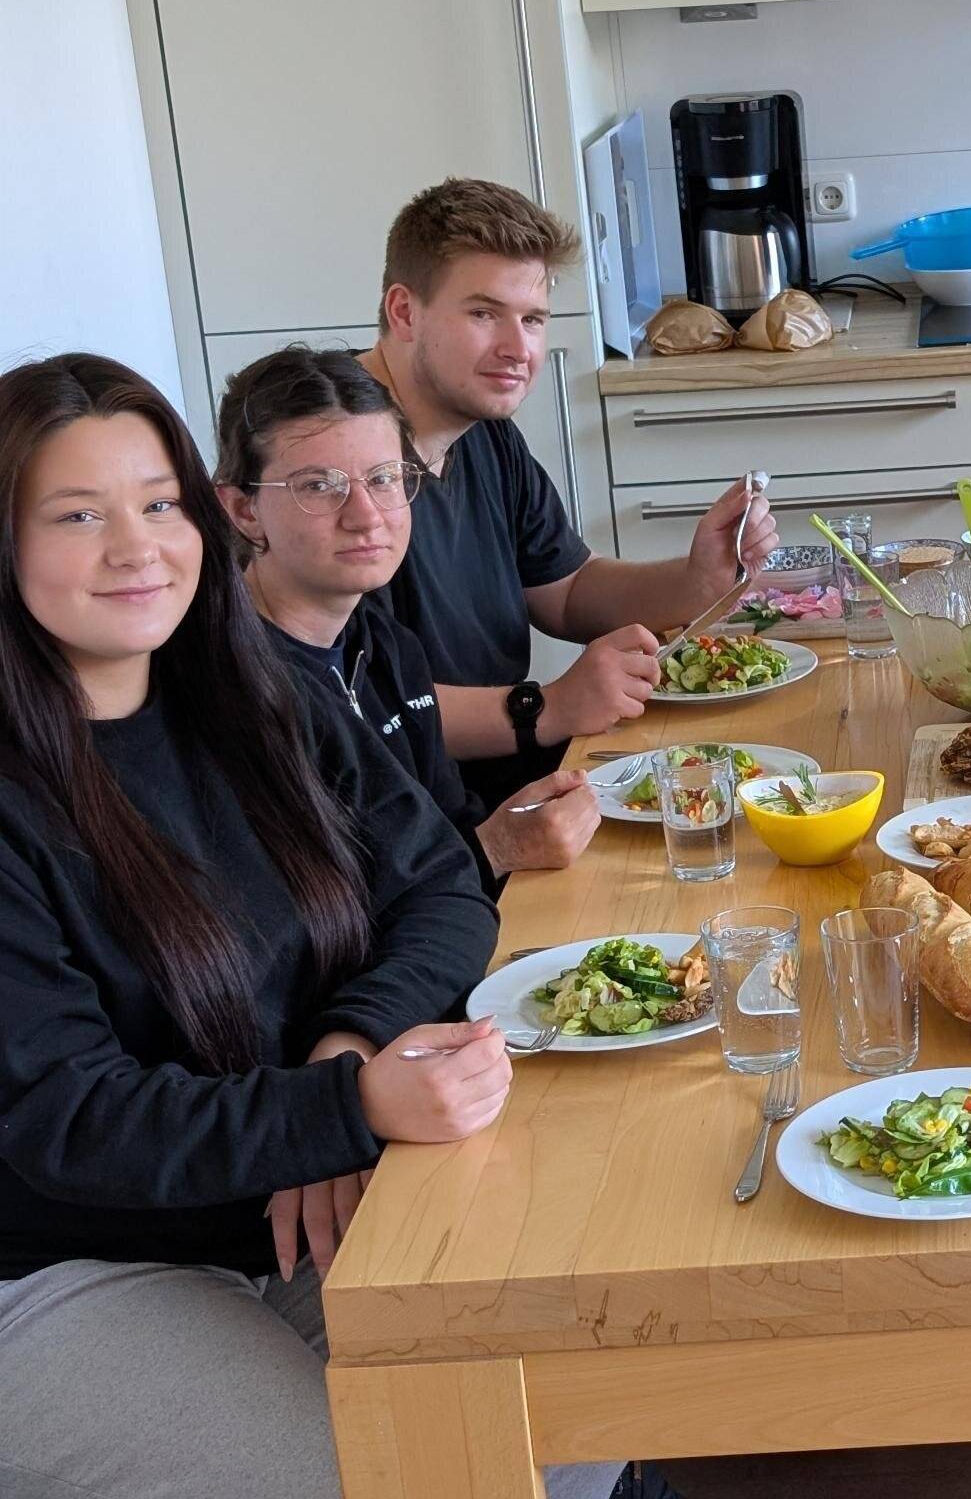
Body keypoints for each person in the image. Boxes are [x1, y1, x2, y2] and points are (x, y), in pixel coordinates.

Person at [0, 353, 614, 1499]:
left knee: (576, 1386)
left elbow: (439, 884)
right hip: (68, 1261)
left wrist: (345, 1053)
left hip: (281, 1192)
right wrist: (340, 1111)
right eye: (79, 515)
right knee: (375, 1477)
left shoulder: (247, 697)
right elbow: (63, 1116)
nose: (137, 547)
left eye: (157, 504)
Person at [361, 178, 778, 809]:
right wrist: (546, 708)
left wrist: (699, 579)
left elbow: (566, 592)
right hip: (403, 823)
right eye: (483, 313)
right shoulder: (331, 455)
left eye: (531, 320)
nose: (516, 349)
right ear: (404, 311)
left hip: (507, 783)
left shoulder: (483, 431)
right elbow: (349, 700)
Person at [215, 345, 599, 893]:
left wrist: (507, 828)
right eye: (319, 486)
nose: (366, 516)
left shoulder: (385, 647)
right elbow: (323, 926)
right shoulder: (232, 689)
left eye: (384, 477)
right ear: (244, 511)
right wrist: (496, 847)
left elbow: (444, 828)